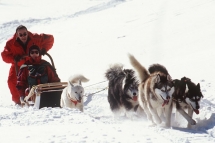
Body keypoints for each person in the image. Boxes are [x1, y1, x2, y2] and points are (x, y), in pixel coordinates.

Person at [1, 25, 54, 104]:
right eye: (21, 35)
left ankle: (45, 96)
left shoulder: (36, 38)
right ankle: (19, 102)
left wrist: (43, 49)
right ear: (17, 35)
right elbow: (4, 55)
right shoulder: (11, 43)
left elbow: (50, 39)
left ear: (27, 33)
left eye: (25, 34)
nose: (23, 36)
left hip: (35, 63)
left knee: (41, 76)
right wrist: (14, 59)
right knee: (12, 81)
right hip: (19, 66)